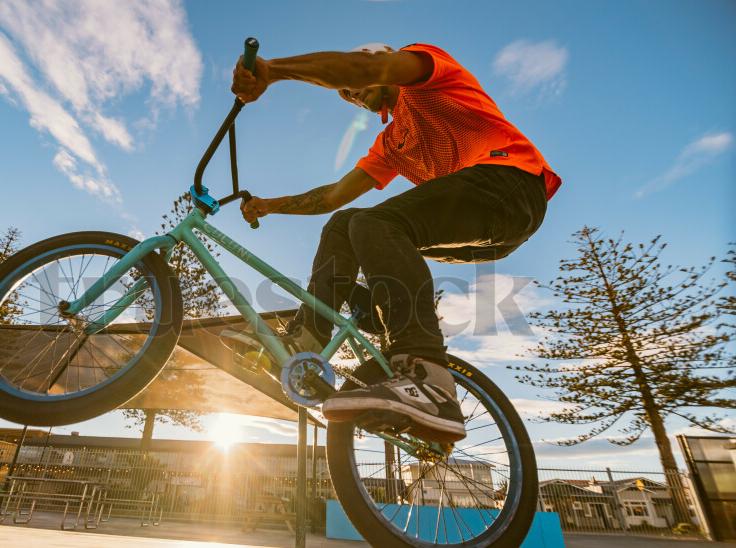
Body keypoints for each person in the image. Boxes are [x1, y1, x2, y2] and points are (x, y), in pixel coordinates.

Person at [230, 43, 561, 443]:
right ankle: (308, 338)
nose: (353, 95)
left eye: (353, 85)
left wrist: (273, 70)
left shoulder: (426, 76)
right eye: (347, 95)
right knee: (347, 222)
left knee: (374, 222)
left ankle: (426, 371)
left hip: (512, 185)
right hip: (486, 231)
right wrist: (268, 207)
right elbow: (334, 195)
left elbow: (360, 66)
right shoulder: (391, 143)